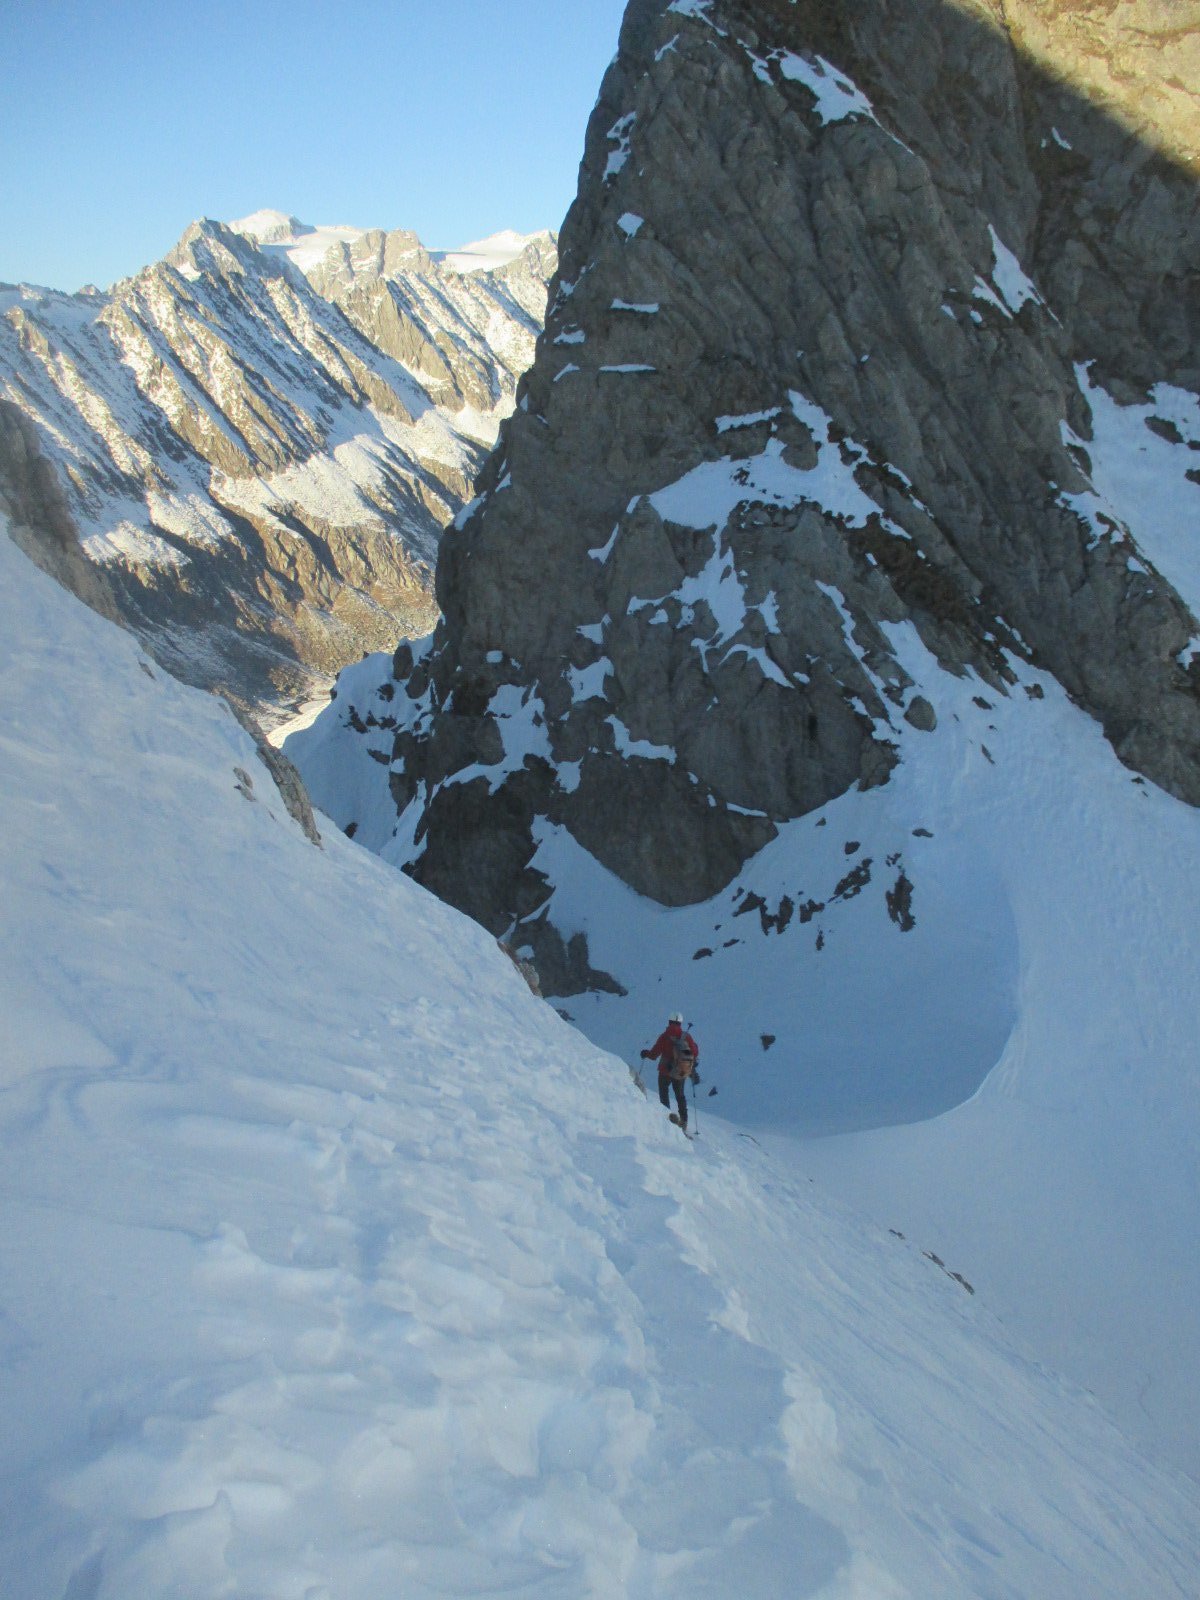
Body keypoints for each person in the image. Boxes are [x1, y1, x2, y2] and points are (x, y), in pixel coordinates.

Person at [641, 1012, 700, 1130]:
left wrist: (645, 1053)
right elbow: (695, 1052)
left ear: (669, 1022)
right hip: (680, 1072)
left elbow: (653, 1055)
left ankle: (667, 1121)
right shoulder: (686, 1037)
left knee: (664, 1095)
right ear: (680, 1023)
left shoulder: (664, 1036)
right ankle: (683, 1123)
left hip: (664, 1071)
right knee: (680, 1096)